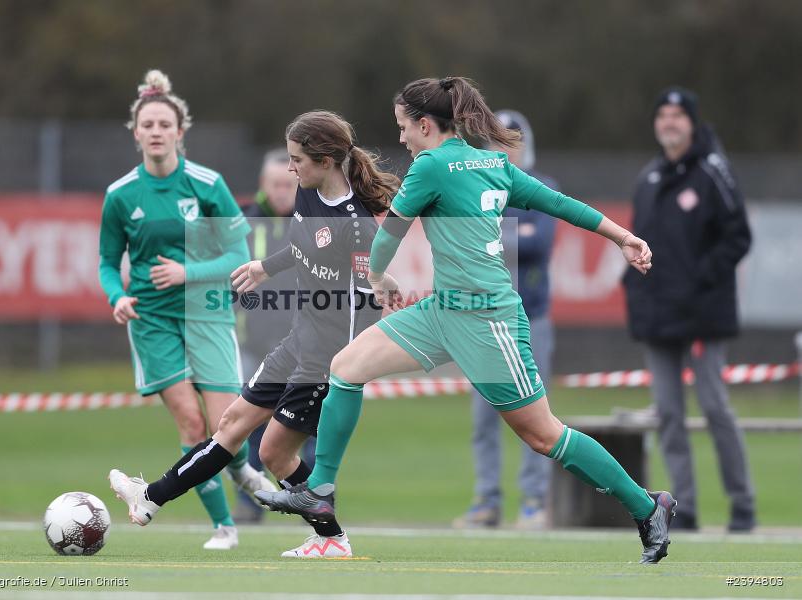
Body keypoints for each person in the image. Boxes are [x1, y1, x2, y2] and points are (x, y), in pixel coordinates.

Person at [256, 76, 676, 564]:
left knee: (543, 435)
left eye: (402, 127)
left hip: (487, 318)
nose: (401, 139)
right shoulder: (493, 162)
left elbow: (392, 230)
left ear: (425, 125)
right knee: (346, 368)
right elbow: (560, 205)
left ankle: (648, 506)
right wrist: (622, 236)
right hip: (443, 310)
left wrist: (376, 275)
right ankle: (320, 490)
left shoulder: (431, 164)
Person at [108, 110, 400, 558]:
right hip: (298, 340)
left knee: (274, 455)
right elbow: (305, 247)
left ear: (324, 160)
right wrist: (267, 266)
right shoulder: (308, 192)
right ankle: (149, 499)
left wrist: (345, 367)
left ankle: (331, 537)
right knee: (231, 425)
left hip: (325, 358)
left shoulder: (358, 225)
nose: (290, 168)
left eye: (297, 159)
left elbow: (367, 305)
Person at [99, 69, 275, 551]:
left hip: (208, 312)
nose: (156, 132)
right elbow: (106, 262)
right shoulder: (120, 195)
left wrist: (186, 273)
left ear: (180, 132)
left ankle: (241, 470)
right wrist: (117, 296)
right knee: (192, 425)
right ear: (136, 134)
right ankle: (225, 526)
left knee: (227, 428)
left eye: (164, 124)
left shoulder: (206, 184)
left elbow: (239, 255)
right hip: (153, 321)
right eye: (147, 125)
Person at [623, 87, 755, 532]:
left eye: (678, 115)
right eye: (663, 114)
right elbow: (640, 247)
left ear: (692, 123)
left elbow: (738, 237)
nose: (670, 122)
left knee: (716, 407)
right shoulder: (650, 178)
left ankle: (742, 505)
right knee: (669, 416)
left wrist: (700, 282)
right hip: (660, 317)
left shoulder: (713, 171)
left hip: (702, 315)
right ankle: (686, 509)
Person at [454, 110, 557, 530]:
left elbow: (539, 244)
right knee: (483, 417)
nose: (504, 150)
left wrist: (496, 233)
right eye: (497, 141)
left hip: (531, 316)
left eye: (511, 142)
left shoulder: (543, 187)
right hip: (482, 319)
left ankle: (534, 501)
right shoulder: (475, 185)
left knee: (536, 415)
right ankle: (487, 500)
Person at [232, 148, 316, 523]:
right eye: (275, 184)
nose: (283, 190)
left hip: (304, 346)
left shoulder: (313, 221)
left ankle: (308, 499)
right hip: (253, 343)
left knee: (306, 426)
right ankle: (251, 505)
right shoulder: (244, 223)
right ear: (263, 185)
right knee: (249, 424)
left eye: (288, 183)